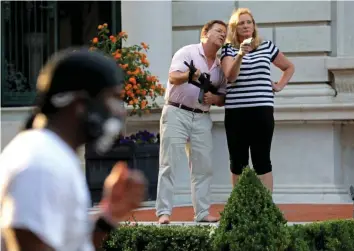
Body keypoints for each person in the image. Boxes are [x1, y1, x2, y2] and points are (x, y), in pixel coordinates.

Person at [0, 49, 147, 251]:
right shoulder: (41, 164)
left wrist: (109, 216)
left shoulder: (52, 155)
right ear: (80, 105)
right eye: (111, 98)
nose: (120, 110)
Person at [156, 20, 228, 224]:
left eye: (225, 33)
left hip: (202, 117)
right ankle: (164, 212)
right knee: (168, 163)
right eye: (218, 31)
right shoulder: (187, 53)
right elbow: (173, 77)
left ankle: (203, 213)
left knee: (203, 167)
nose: (222, 35)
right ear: (204, 33)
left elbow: (223, 96)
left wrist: (214, 99)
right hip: (176, 112)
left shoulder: (221, 66)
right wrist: (191, 74)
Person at [220, 8, 295, 193]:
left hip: (262, 110)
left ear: (254, 26)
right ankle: (240, 205)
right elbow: (230, 77)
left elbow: (289, 67)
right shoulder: (228, 50)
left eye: (248, 22)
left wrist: (279, 85)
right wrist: (240, 55)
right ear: (234, 28)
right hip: (236, 112)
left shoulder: (266, 46)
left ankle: (265, 208)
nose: (245, 26)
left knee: (262, 159)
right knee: (238, 161)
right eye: (241, 23)